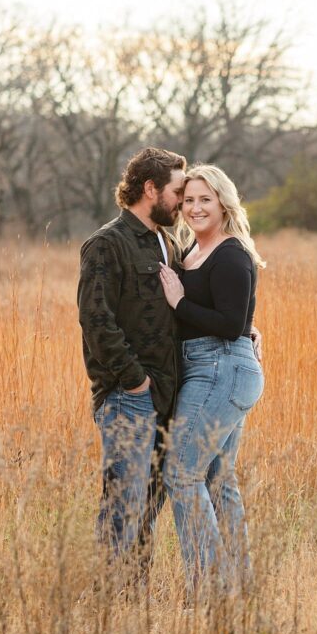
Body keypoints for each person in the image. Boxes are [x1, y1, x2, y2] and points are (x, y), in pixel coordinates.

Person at [77, 147, 186, 585]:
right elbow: (95, 319)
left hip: (166, 396)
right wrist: (134, 381)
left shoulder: (169, 241)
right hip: (129, 398)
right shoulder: (108, 243)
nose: (183, 200)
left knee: (148, 504)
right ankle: (110, 605)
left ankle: (133, 603)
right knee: (121, 506)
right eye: (178, 191)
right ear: (150, 188)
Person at [158, 164, 265, 598]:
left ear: (223, 202)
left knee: (182, 472)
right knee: (219, 480)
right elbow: (240, 319)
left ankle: (212, 587)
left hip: (222, 368)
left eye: (205, 199)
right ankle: (238, 585)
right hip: (211, 367)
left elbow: (229, 323)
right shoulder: (192, 252)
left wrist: (179, 302)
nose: (195, 208)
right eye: (188, 201)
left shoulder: (231, 253)